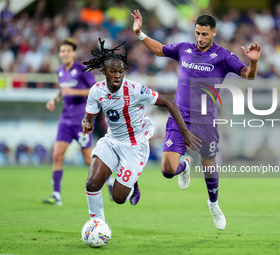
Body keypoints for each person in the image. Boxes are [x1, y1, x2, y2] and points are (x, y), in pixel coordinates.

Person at [131, 10, 261, 230]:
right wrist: (140, 34)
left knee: (209, 166)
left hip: (205, 121)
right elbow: (160, 50)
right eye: (198, 33)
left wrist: (254, 62)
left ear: (214, 33)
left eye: (204, 34)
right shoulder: (184, 48)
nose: (200, 38)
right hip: (179, 117)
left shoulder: (223, 56)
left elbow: (249, 74)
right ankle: (185, 166)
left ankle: (213, 204)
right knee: (167, 170)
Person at [81, 39, 201, 221]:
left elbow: (168, 101)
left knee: (119, 198)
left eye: (120, 71)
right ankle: (97, 223)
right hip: (112, 140)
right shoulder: (96, 91)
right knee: (92, 183)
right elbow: (89, 116)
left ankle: (179, 166)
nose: (117, 75)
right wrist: (86, 123)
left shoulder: (135, 90)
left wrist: (184, 131)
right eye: (112, 71)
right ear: (104, 71)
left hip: (135, 145)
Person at [42, 38, 99, 205]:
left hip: (82, 121)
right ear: (59, 54)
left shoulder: (83, 69)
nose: (65, 54)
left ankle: (108, 179)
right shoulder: (60, 71)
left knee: (89, 159)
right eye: (62, 51)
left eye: (68, 51)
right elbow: (63, 90)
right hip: (65, 120)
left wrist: (73, 91)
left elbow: (94, 89)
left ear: (73, 53)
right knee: (57, 155)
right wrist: (55, 99)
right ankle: (56, 195)